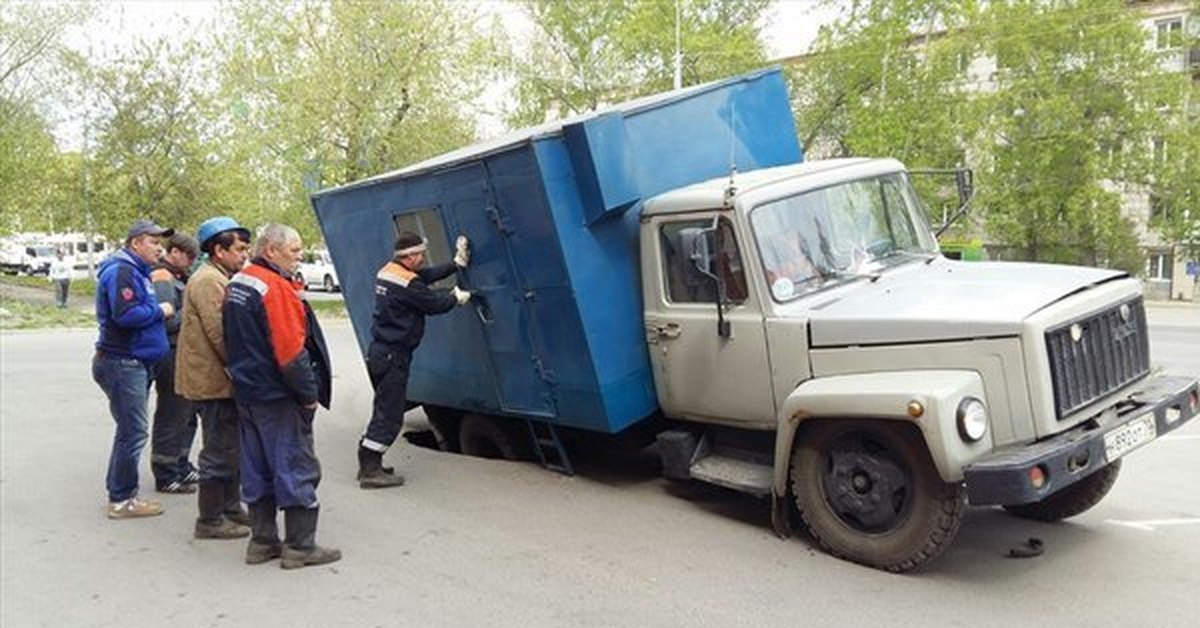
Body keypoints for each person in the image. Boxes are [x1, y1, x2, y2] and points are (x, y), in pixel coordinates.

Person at [223, 224, 338, 569]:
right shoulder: (275, 287)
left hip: (247, 391)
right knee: (294, 465)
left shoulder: (238, 283)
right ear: (271, 250)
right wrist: (308, 395)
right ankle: (301, 547)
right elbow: (291, 353)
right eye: (295, 250)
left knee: (256, 467)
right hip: (277, 395)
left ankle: (262, 542)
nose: (300, 256)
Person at [356, 231, 471, 489]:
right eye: (420, 255)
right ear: (408, 257)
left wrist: (455, 265)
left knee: (383, 409)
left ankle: (369, 461)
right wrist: (456, 298)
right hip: (392, 355)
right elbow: (432, 303)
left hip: (380, 352)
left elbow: (423, 278)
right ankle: (370, 468)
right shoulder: (407, 284)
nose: (423, 258)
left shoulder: (388, 271)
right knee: (390, 414)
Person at [93, 219, 176, 519]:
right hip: (123, 362)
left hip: (134, 361)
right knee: (133, 431)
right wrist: (161, 311)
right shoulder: (123, 271)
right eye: (154, 242)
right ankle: (122, 499)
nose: (160, 248)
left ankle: (122, 493)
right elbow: (125, 315)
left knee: (129, 430)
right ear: (136, 243)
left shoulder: (137, 271)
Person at [176, 217, 253, 540]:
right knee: (219, 450)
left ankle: (230, 506)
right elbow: (221, 333)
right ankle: (209, 519)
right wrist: (245, 370)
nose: (244, 255)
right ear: (218, 250)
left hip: (219, 380)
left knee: (230, 447)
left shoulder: (218, 276)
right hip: (212, 383)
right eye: (239, 249)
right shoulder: (209, 281)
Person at [149, 232, 201, 494]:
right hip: (171, 353)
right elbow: (167, 319)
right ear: (175, 252)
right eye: (189, 256)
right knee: (172, 413)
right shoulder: (162, 276)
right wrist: (192, 310)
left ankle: (181, 463)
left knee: (187, 414)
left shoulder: (180, 276)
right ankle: (166, 473)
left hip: (184, 352)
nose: (191, 261)